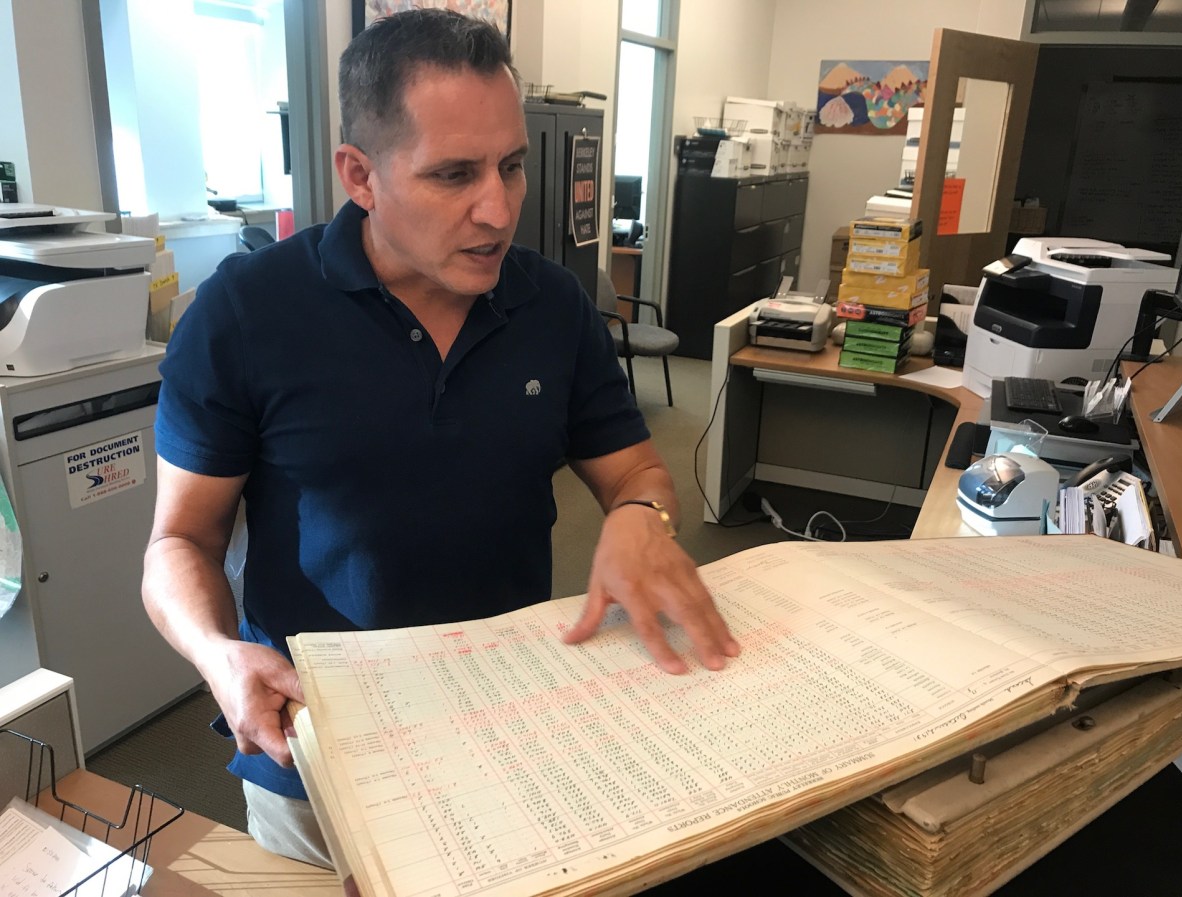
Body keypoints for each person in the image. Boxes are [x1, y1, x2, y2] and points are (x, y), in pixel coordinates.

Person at [141, 7, 739, 870]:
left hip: (515, 731)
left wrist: (643, 514)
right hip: (317, 753)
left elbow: (639, 469)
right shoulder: (245, 312)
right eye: (453, 174)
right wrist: (216, 652)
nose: (497, 210)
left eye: (511, 166)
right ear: (360, 174)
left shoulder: (553, 306)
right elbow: (178, 541)